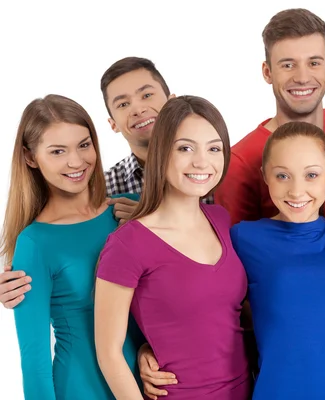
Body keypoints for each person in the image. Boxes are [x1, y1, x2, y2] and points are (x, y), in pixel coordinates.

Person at [0, 57, 213, 308]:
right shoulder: (105, 192)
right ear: (112, 124)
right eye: (123, 104)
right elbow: (66, 250)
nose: (138, 109)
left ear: (172, 101)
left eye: (146, 95)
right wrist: (19, 284)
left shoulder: (212, 167)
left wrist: (154, 221)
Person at [95, 95, 251, 400]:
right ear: (161, 152)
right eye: (185, 148)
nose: (201, 162)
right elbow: (109, 353)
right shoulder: (127, 244)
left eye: (214, 148)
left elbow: (222, 316)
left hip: (246, 389)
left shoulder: (220, 219)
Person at [0, 94, 141, 399]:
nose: (76, 162)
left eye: (84, 144)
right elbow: (34, 362)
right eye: (58, 151)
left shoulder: (130, 209)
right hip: (82, 388)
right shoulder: (34, 244)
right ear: (30, 157)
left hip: (151, 380)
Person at [230, 121, 325, 399]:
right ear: (265, 176)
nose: (296, 191)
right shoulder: (243, 237)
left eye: (311, 175)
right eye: (282, 176)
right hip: (278, 390)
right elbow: (199, 298)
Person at [214, 8, 325, 223]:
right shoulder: (240, 162)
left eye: (314, 63)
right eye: (288, 65)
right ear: (267, 72)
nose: (302, 77)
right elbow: (233, 247)